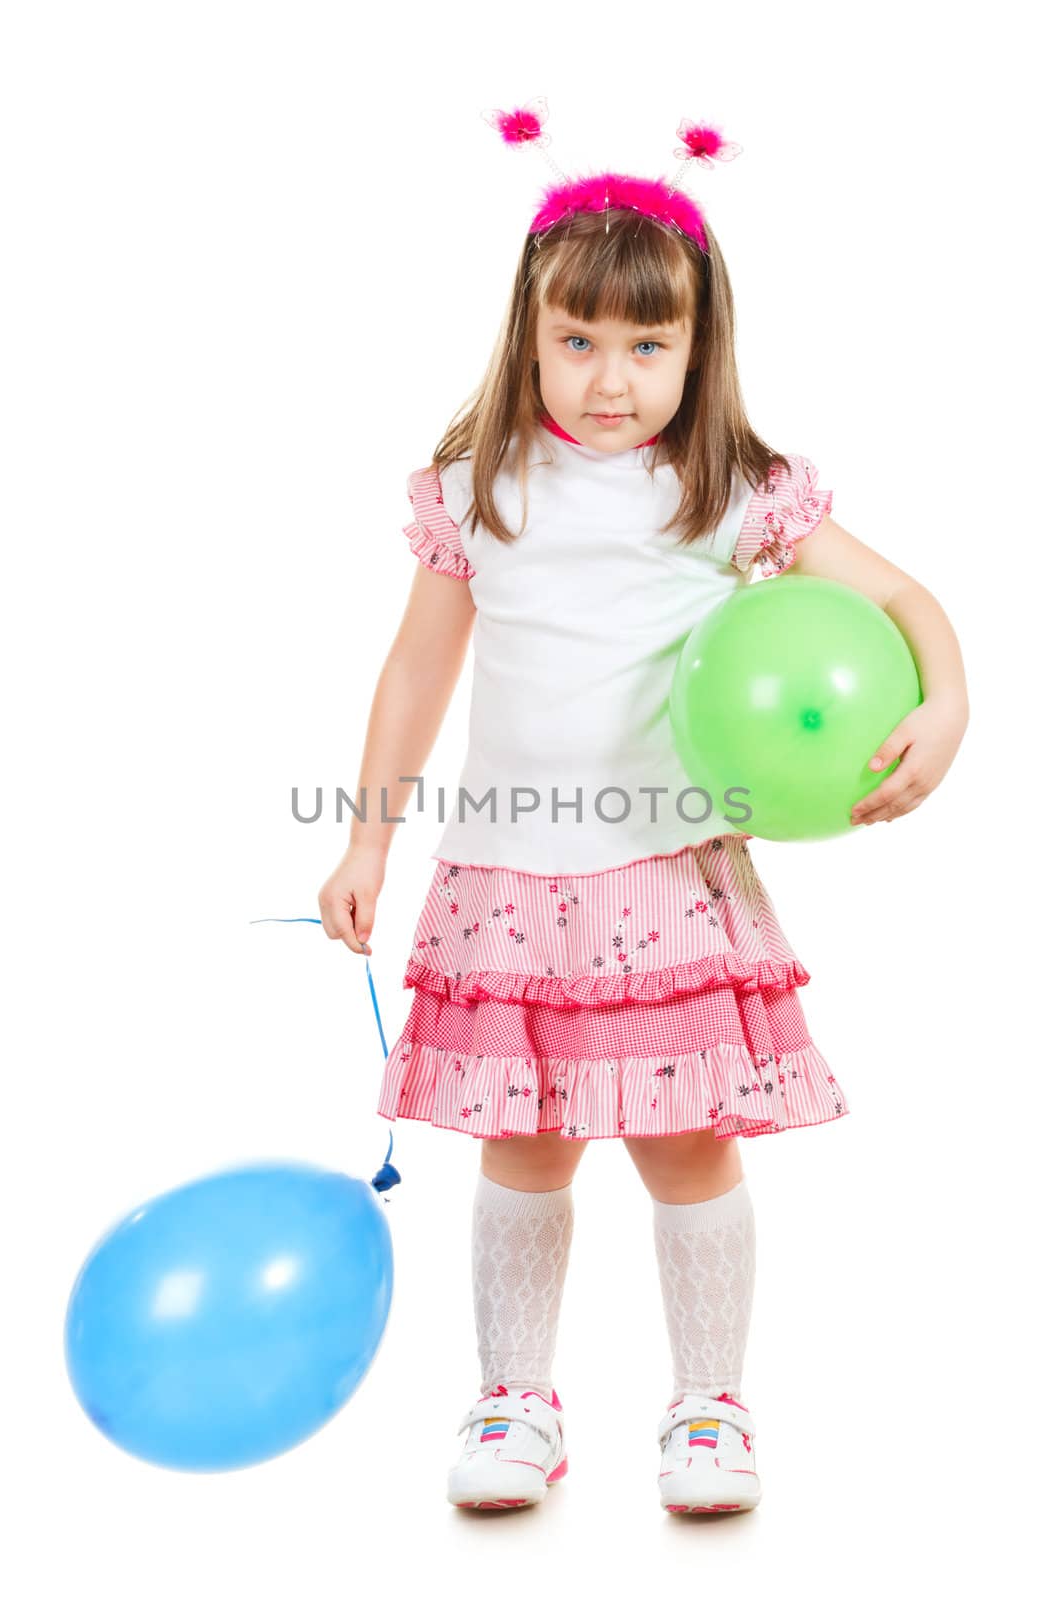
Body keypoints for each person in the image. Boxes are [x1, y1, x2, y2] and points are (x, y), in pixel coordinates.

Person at [318, 107, 969, 1515]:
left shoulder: (724, 492)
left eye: (647, 346)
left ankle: (711, 1410)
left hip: (664, 873)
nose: (611, 380)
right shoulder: (479, 489)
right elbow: (419, 668)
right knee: (526, 1139)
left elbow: (907, 603)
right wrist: (368, 834)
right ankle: (513, 1401)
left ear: (697, 348)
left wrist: (948, 704)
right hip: (508, 872)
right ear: (528, 338)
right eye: (578, 341)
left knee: (687, 1142)